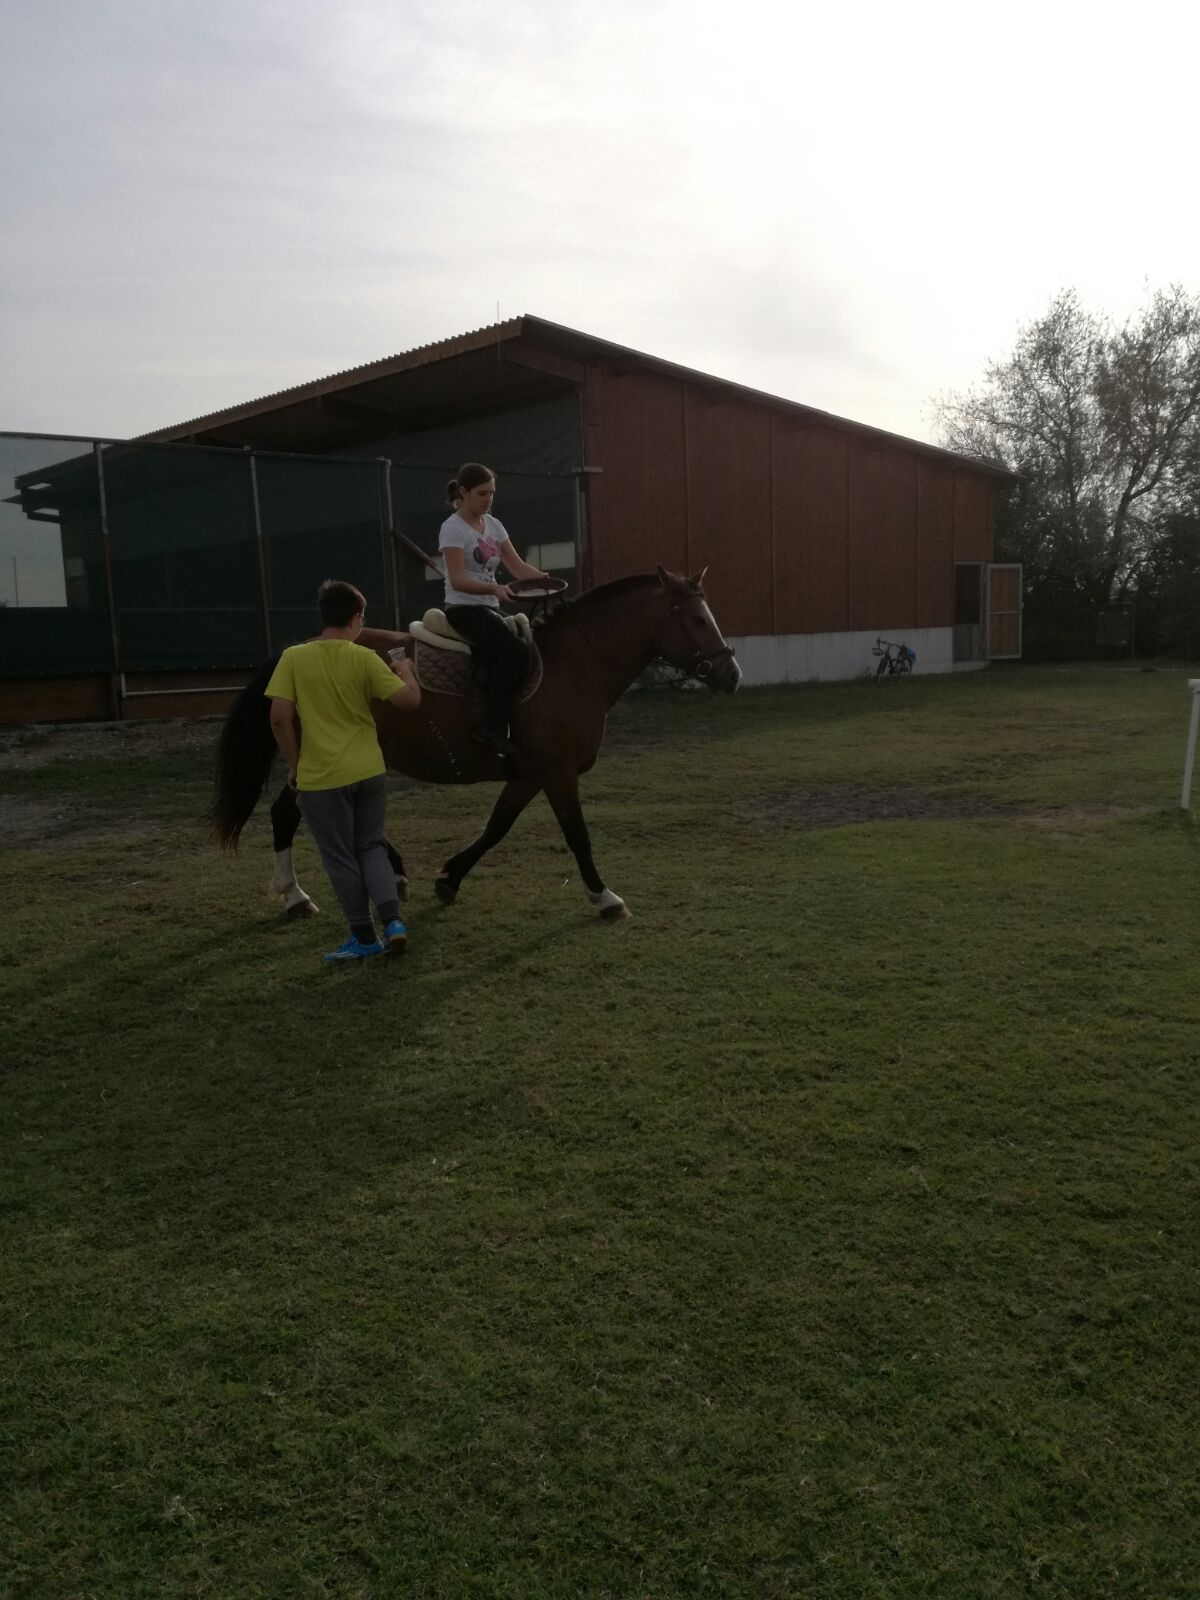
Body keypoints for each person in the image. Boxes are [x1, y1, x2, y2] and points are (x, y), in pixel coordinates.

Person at [265, 579, 421, 963]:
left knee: (339, 857)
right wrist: (405, 670)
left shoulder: (293, 659)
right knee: (371, 846)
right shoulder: (365, 657)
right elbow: (410, 702)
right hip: (368, 771)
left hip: (321, 779)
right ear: (357, 619)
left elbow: (280, 718)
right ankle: (394, 923)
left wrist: (294, 764)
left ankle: (364, 937)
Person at [438, 462, 549, 756]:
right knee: (514, 651)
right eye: (481, 493)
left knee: (528, 645)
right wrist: (494, 588)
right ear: (463, 492)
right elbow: (458, 580)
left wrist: (545, 581)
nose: (488, 499)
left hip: (487, 606)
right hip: (463, 608)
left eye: (492, 493)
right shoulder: (452, 529)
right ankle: (492, 726)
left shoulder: (494, 525)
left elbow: (517, 566)